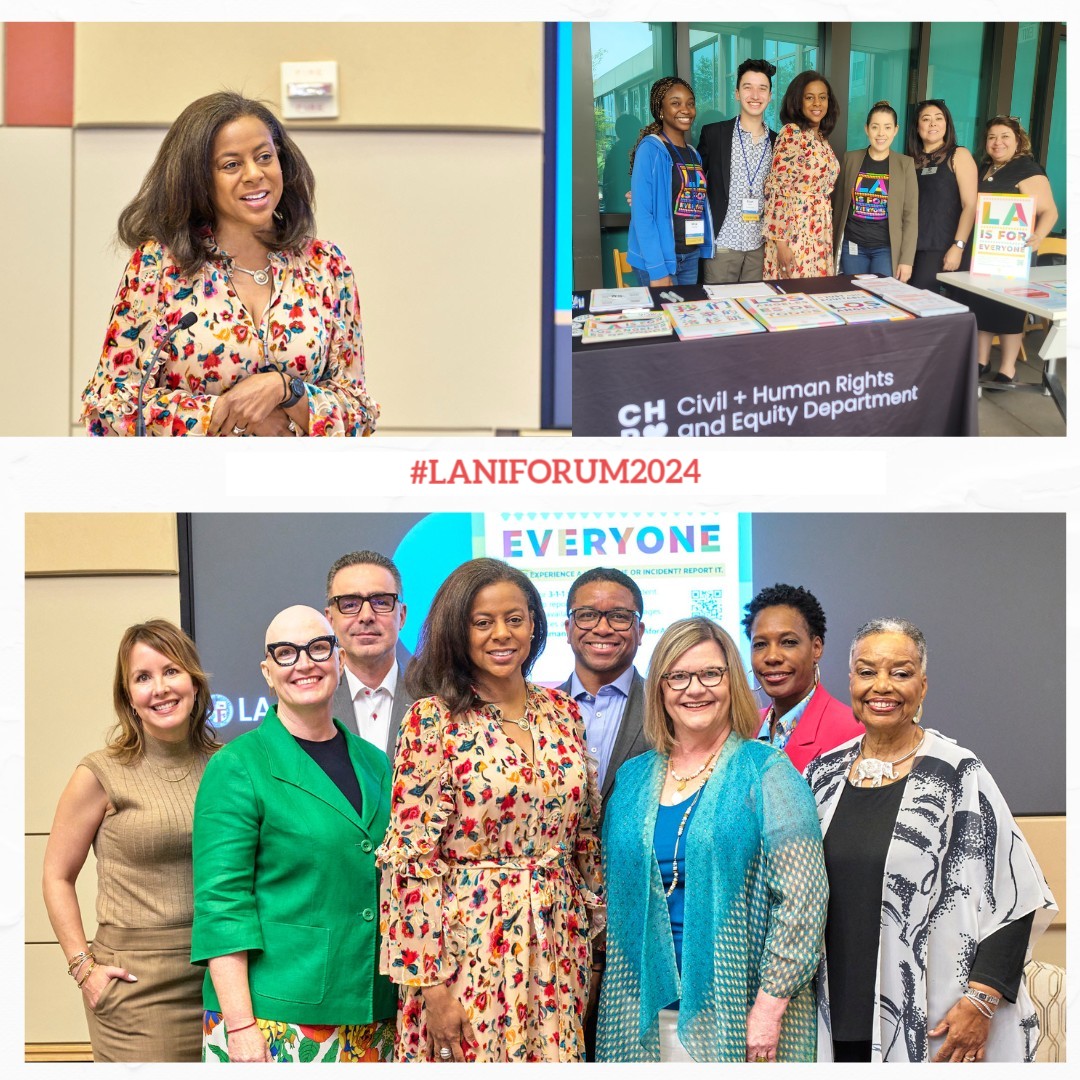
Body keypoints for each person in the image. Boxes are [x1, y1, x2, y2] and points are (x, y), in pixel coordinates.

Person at [377, 558, 602, 1062]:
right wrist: (431, 987)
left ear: (534, 624)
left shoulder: (563, 712)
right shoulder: (432, 720)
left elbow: (584, 836)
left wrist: (594, 941)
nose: (502, 634)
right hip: (467, 952)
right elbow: (411, 860)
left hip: (558, 946)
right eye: (483, 622)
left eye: (515, 619)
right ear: (459, 631)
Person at [805, 618, 1057, 1063]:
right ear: (850, 682)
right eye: (867, 672)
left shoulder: (958, 773)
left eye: (900, 673)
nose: (881, 686)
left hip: (932, 1022)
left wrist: (981, 1003)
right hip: (829, 1018)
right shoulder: (821, 775)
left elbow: (1017, 896)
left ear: (923, 686)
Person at [596, 617, 827, 1063]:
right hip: (638, 1015)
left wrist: (768, 1007)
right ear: (660, 688)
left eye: (710, 674)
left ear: (732, 683)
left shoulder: (768, 773)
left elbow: (804, 900)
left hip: (738, 1013)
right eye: (678, 676)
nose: (694, 689)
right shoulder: (633, 778)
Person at [82, 91, 378, 436]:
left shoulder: (327, 266)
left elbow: (359, 411)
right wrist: (226, 413)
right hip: (193, 483)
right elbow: (111, 406)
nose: (255, 174)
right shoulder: (158, 267)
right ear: (199, 181)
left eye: (265, 157)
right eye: (231, 164)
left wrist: (285, 390)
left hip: (298, 485)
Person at [191, 606, 397, 1062]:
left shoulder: (375, 762)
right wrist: (241, 1026)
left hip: (374, 1007)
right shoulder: (237, 766)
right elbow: (221, 905)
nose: (304, 663)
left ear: (339, 660)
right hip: (273, 1018)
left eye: (318, 648)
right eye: (286, 653)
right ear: (268, 672)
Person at [41, 620, 217, 1061]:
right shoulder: (100, 773)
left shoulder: (226, 766)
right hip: (135, 987)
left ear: (194, 682)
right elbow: (56, 876)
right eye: (143, 677)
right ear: (129, 699)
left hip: (218, 975)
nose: (160, 688)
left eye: (171, 671)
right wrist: (84, 969)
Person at [966, 116, 1059, 386]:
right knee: (981, 305)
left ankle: (1008, 368)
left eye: (1005, 136)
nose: (998, 142)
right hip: (983, 252)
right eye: (992, 137)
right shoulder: (984, 167)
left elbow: (1050, 211)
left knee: (1008, 310)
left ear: (1018, 140)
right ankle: (981, 362)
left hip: (1012, 256)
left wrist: (1039, 236)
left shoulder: (1026, 169)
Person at [742, 583, 862, 773]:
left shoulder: (853, 733)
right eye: (760, 644)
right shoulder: (744, 729)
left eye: (788, 642)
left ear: (816, 648)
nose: (772, 657)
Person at [560, 567, 649, 812]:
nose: (602, 628)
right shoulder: (537, 710)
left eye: (619, 616)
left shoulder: (666, 704)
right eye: (587, 615)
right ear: (568, 629)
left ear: (639, 631)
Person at [627, 77, 714, 286]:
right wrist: (657, 270)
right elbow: (642, 214)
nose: (685, 109)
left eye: (690, 103)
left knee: (684, 317)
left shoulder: (693, 154)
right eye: (675, 103)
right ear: (660, 110)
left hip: (690, 255)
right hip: (659, 260)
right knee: (664, 318)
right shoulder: (650, 149)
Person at [697, 59, 777, 283]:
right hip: (723, 244)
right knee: (720, 311)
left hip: (760, 247)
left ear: (770, 96)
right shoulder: (715, 134)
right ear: (737, 94)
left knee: (755, 310)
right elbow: (692, 178)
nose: (755, 95)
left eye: (762, 88)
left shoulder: (778, 142)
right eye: (747, 87)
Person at [325, 549, 411, 758]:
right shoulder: (312, 703)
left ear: (401, 616)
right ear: (330, 620)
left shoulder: (436, 697)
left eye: (381, 602)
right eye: (350, 604)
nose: (366, 616)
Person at [762, 70, 840, 279]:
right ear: (798, 102)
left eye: (822, 97)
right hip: (795, 232)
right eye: (809, 97)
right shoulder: (792, 133)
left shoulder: (821, 137)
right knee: (794, 298)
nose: (817, 103)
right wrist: (781, 244)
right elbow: (777, 191)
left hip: (818, 230)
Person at [832, 101, 918, 280]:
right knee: (854, 296)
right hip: (853, 245)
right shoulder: (851, 158)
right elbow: (839, 206)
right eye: (875, 127)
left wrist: (907, 260)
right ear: (866, 129)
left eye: (887, 127)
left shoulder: (905, 164)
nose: (881, 134)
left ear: (895, 130)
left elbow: (910, 216)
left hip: (886, 249)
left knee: (882, 299)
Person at [905, 99, 978, 293]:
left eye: (939, 118)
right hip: (910, 246)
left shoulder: (959, 155)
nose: (933, 123)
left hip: (941, 246)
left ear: (947, 123)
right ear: (917, 126)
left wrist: (958, 246)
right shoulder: (909, 161)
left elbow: (970, 205)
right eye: (926, 119)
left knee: (920, 301)